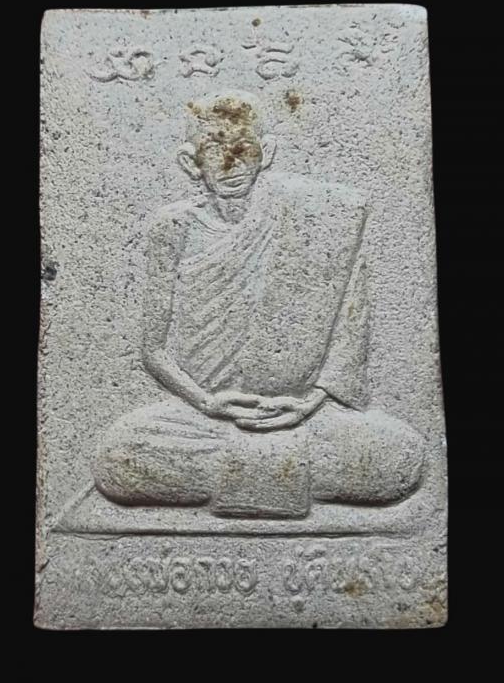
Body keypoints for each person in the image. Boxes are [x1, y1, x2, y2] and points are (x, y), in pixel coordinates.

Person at [92, 90, 424, 517]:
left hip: (298, 416)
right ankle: (281, 472)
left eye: (243, 148)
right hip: (201, 420)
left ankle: (249, 470)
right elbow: (153, 351)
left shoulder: (319, 216)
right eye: (215, 149)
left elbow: (348, 327)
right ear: (190, 162)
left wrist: (310, 402)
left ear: (266, 153)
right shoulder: (173, 227)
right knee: (120, 456)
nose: (231, 164)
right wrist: (206, 403)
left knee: (399, 454)